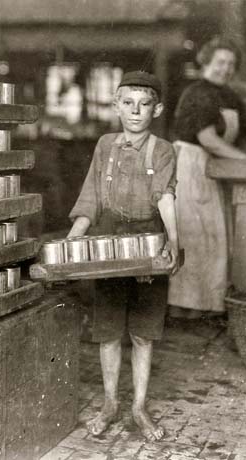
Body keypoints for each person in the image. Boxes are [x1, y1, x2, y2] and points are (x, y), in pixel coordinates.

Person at [68, 71, 180, 441]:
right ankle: (110, 403)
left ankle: (138, 407)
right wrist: (73, 239)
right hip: (109, 244)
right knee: (108, 332)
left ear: (157, 109)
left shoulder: (163, 150)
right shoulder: (105, 145)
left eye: (144, 104)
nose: (135, 111)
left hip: (148, 245)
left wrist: (172, 243)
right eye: (127, 103)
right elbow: (91, 197)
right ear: (116, 106)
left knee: (144, 334)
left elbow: (165, 197)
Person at [167, 37, 246, 319]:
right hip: (192, 167)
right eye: (220, 62)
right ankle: (182, 307)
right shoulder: (197, 93)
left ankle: (205, 307)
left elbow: (241, 140)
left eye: (231, 64)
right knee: (194, 238)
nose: (225, 69)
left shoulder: (231, 97)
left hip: (218, 167)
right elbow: (208, 140)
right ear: (206, 62)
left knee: (214, 239)